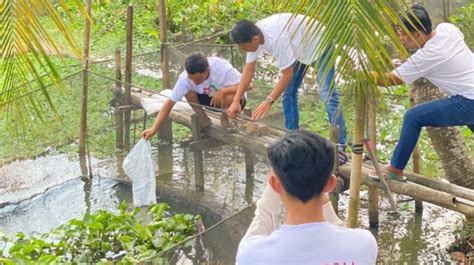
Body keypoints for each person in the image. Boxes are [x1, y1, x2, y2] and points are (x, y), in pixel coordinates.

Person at [236, 130, 378, 264]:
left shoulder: (252, 254)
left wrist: (273, 185)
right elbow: (340, 230)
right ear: (330, 184)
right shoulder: (364, 245)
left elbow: (263, 220)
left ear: (275, 184)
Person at [226, 13, 348, 163]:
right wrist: (236, 100)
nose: (245, 51)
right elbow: (248, 71)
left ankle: (340, 143)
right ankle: (292, 136)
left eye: (245, 48)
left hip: (320, 43)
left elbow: (286, 74)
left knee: (327, 94)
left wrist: (268, 101)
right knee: (288, 93)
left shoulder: (276, 39)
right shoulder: (254, 36)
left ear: (255, 39)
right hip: (298, 48)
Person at [370, 4, 474, 180]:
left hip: (469, 101)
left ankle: (395, 169)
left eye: (403, 34)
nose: (400, 38)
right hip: (468, 94)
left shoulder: (428, 55)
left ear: (418, 34)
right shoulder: (448, 29)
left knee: (413, 117)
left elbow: (390, 79)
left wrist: (362, 73)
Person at [142, 53, 249, 140]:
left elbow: (249, 85)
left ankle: (224, 118)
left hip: (234, 102)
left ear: (207, 71)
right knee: (188, 91)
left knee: (229, 96)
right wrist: (154, 129)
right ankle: (203, 119)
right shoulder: (185, 79)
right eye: (191, 79)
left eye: (197, 79)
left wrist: (223, 91)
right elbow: (169, 103)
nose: (195, 82)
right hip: (210, 98)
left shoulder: (221, 68)